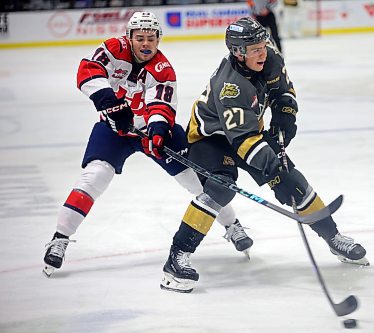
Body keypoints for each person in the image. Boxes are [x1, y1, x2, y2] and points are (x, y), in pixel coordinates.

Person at [160, 17, 369, 293]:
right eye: (255, 48)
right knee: (220, 189)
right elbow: (243, 140)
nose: (263, 52)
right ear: (238, 52)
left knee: (292, 182)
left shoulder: (270, 57)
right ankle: (176, 259)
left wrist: (285, 115)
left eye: (263, 45)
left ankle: (334, 238)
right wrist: (272, 166)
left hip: (248, 131)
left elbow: (284, 91)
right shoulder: (230, 86)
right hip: (211, 139)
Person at [42, 12, 253, 277]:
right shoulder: (112, 49)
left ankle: (232, 225)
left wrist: (157, 130)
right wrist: (110, 102)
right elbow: (88, 71)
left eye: (151, 39)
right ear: (129, 37)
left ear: (158, 39)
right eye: (139, 38)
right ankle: (60, 238)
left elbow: (161, 105)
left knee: (197, 182)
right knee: (94, 177)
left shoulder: (163, 68)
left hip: (154, 132)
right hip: (114, 130)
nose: (145, 44)